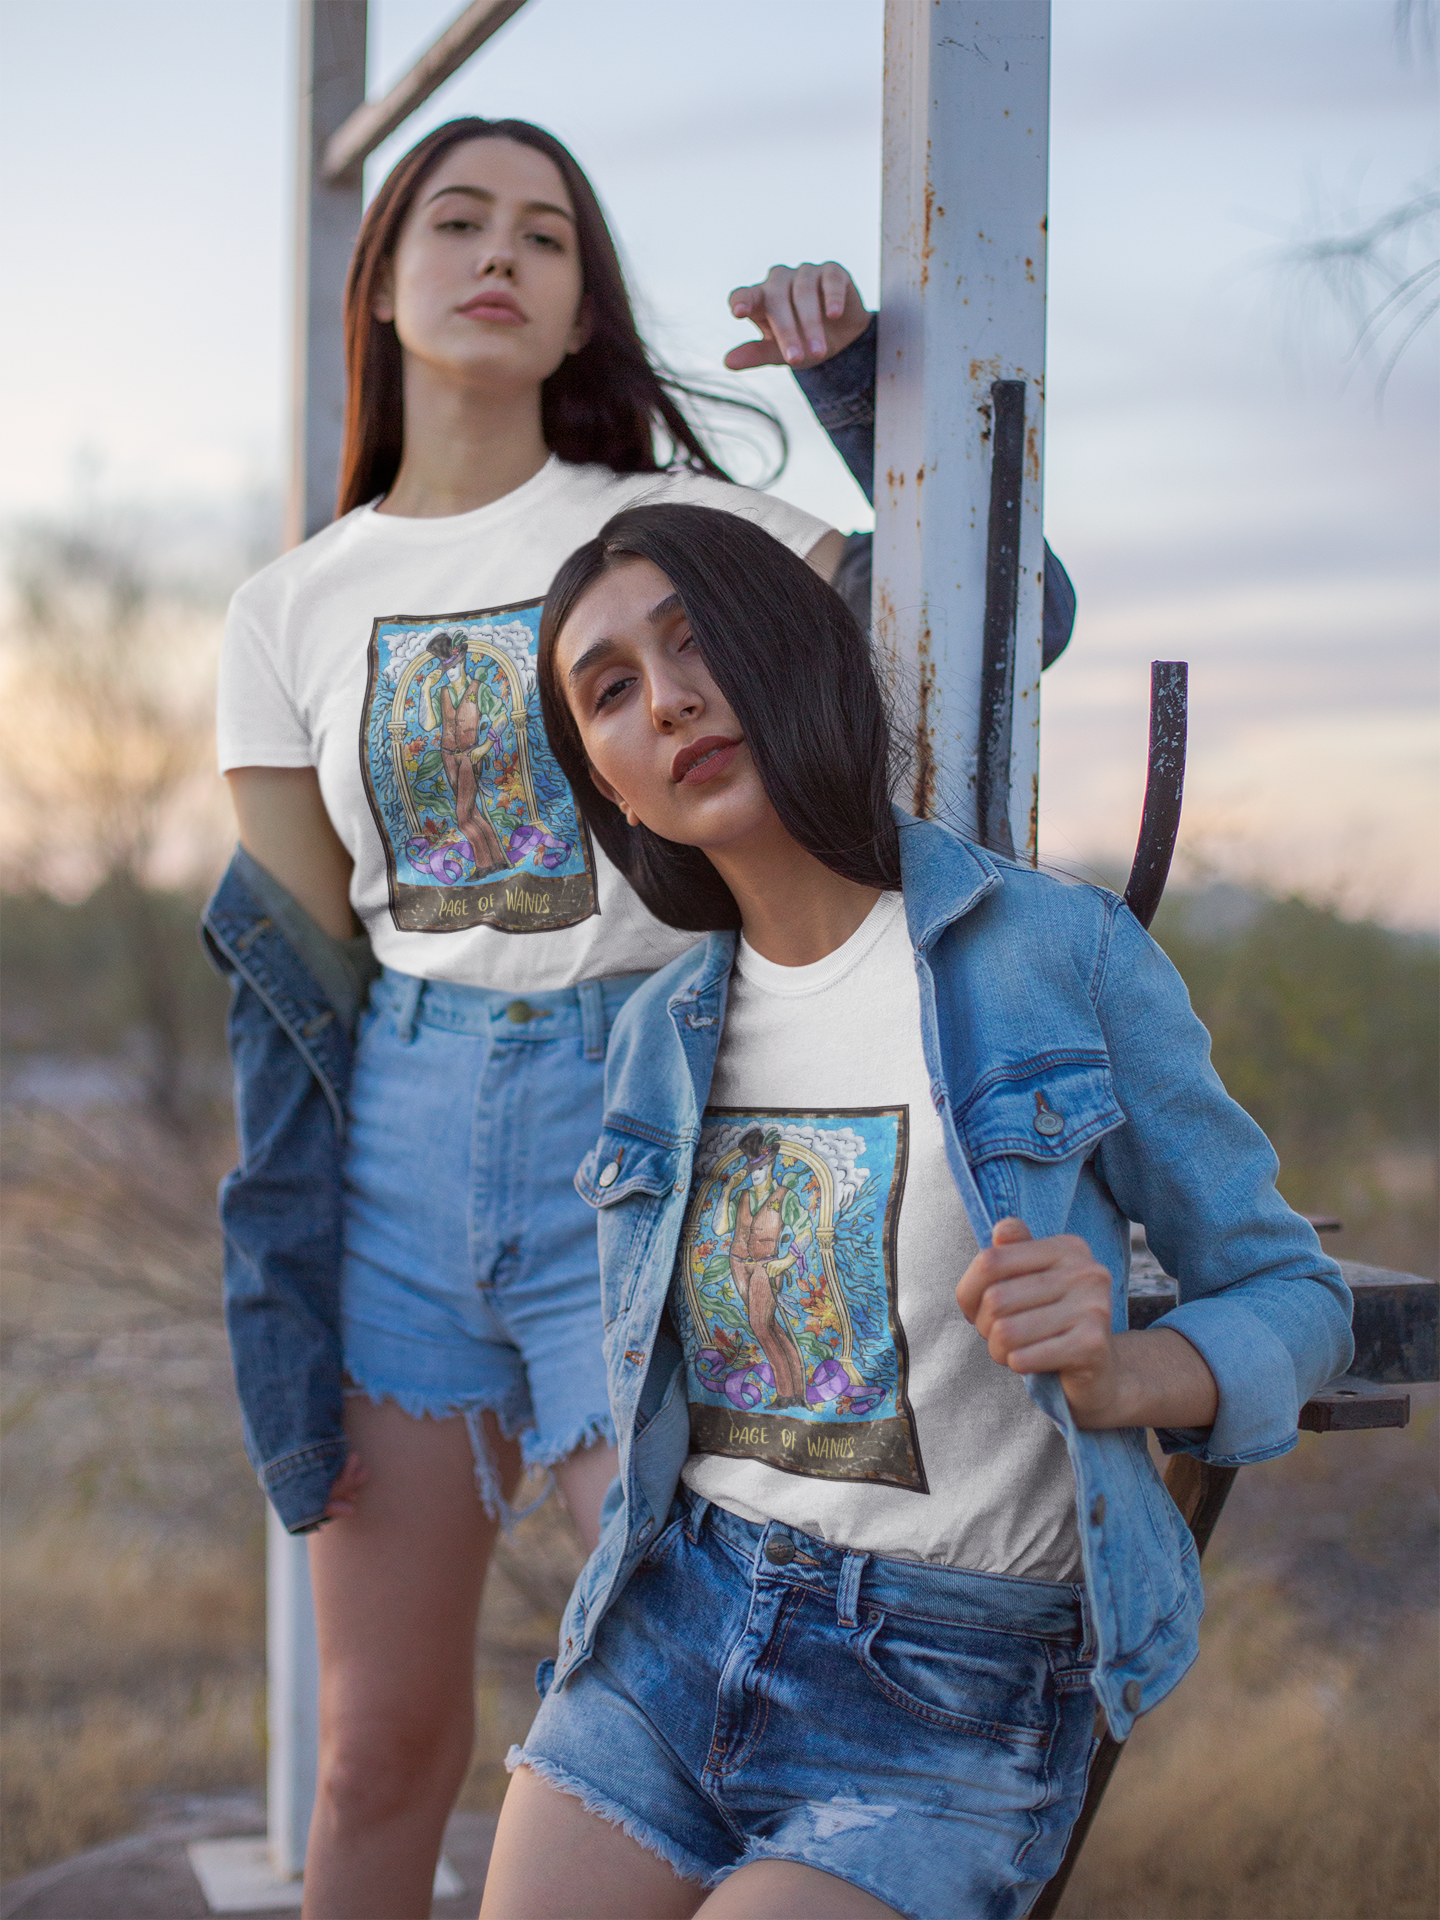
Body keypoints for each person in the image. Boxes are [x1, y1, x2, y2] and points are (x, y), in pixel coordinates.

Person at [476, 502, 1354, 1920]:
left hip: (944, 1691)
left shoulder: (1050, 955)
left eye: (699, 644)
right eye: (614, 690)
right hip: (672, 1632)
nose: (675, 699)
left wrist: (1131, 1366)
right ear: (611, 787)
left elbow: (1292, 1295)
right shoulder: (655, 1038)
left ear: (796, 654)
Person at [206, 116, 866, 1920]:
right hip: (400, 1153)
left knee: (702, 1721)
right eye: (459, 220)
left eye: (548, 236)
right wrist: (283, 1250)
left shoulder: (673, 529)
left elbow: (1000, 624)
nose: (501, 255)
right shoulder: (288, 604)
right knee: (374, 1752)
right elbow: (300, 983)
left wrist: (856, 389)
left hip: (647, 1120)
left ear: (584, 309)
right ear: (389, 282)